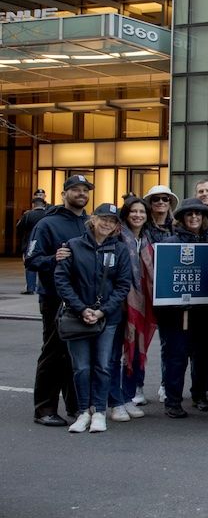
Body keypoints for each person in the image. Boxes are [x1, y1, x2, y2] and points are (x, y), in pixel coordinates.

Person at [54, 203, 132, 433]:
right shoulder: (73, 246)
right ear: (93, 219)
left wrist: (102, 310)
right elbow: (62, 281)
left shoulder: (119, 250)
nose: (107, 224)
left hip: (108, 318)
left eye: (113, 221)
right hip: (78, 316)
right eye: (104, 218)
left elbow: (123, 285)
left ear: (117, 226)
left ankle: (99, 411)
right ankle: (82, 411)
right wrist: (81, 309)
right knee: (81, 367)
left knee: (103, 366)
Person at [27, 176, 93, 427]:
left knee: (75, 354)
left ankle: (75, 407)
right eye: (75, 189)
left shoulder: (89, 223)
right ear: (64, 193)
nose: (81, 193)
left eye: (85, 190)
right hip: (55, 299)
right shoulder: (47, 224)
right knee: (54, 353)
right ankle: (44, 409)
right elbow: (31, 259)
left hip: (83, 300)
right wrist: (53, 258)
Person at [154, 198, 208, 417]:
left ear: (203, 218)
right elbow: (161, 277)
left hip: (205, 311)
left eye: (198, 215)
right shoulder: (169, 243)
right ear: (181, 218)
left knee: (203, 354)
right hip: (175, 312)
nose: (194, 218)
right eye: (189, 214)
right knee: (176, 356)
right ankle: (173, 401)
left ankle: (199, 394)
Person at [114, 198, 154, 413]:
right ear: (126, 214)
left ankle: (128, 396)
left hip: (142, 305)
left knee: (136, 352)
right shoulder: (118, 237)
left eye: (142, 212)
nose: (138, 215)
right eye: (133, 211)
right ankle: (114, 400)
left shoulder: (147, 239)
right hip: (119, 304)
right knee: (112, 356)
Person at [17, 196, 48, 294]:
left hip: (30, 243)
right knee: (46, 266)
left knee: (30, 264)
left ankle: (30, 288)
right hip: (46, 243)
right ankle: (43, 287)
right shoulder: (48, 215)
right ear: (44, 204)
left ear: (33, 204)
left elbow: (19, 228)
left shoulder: (28, 215)